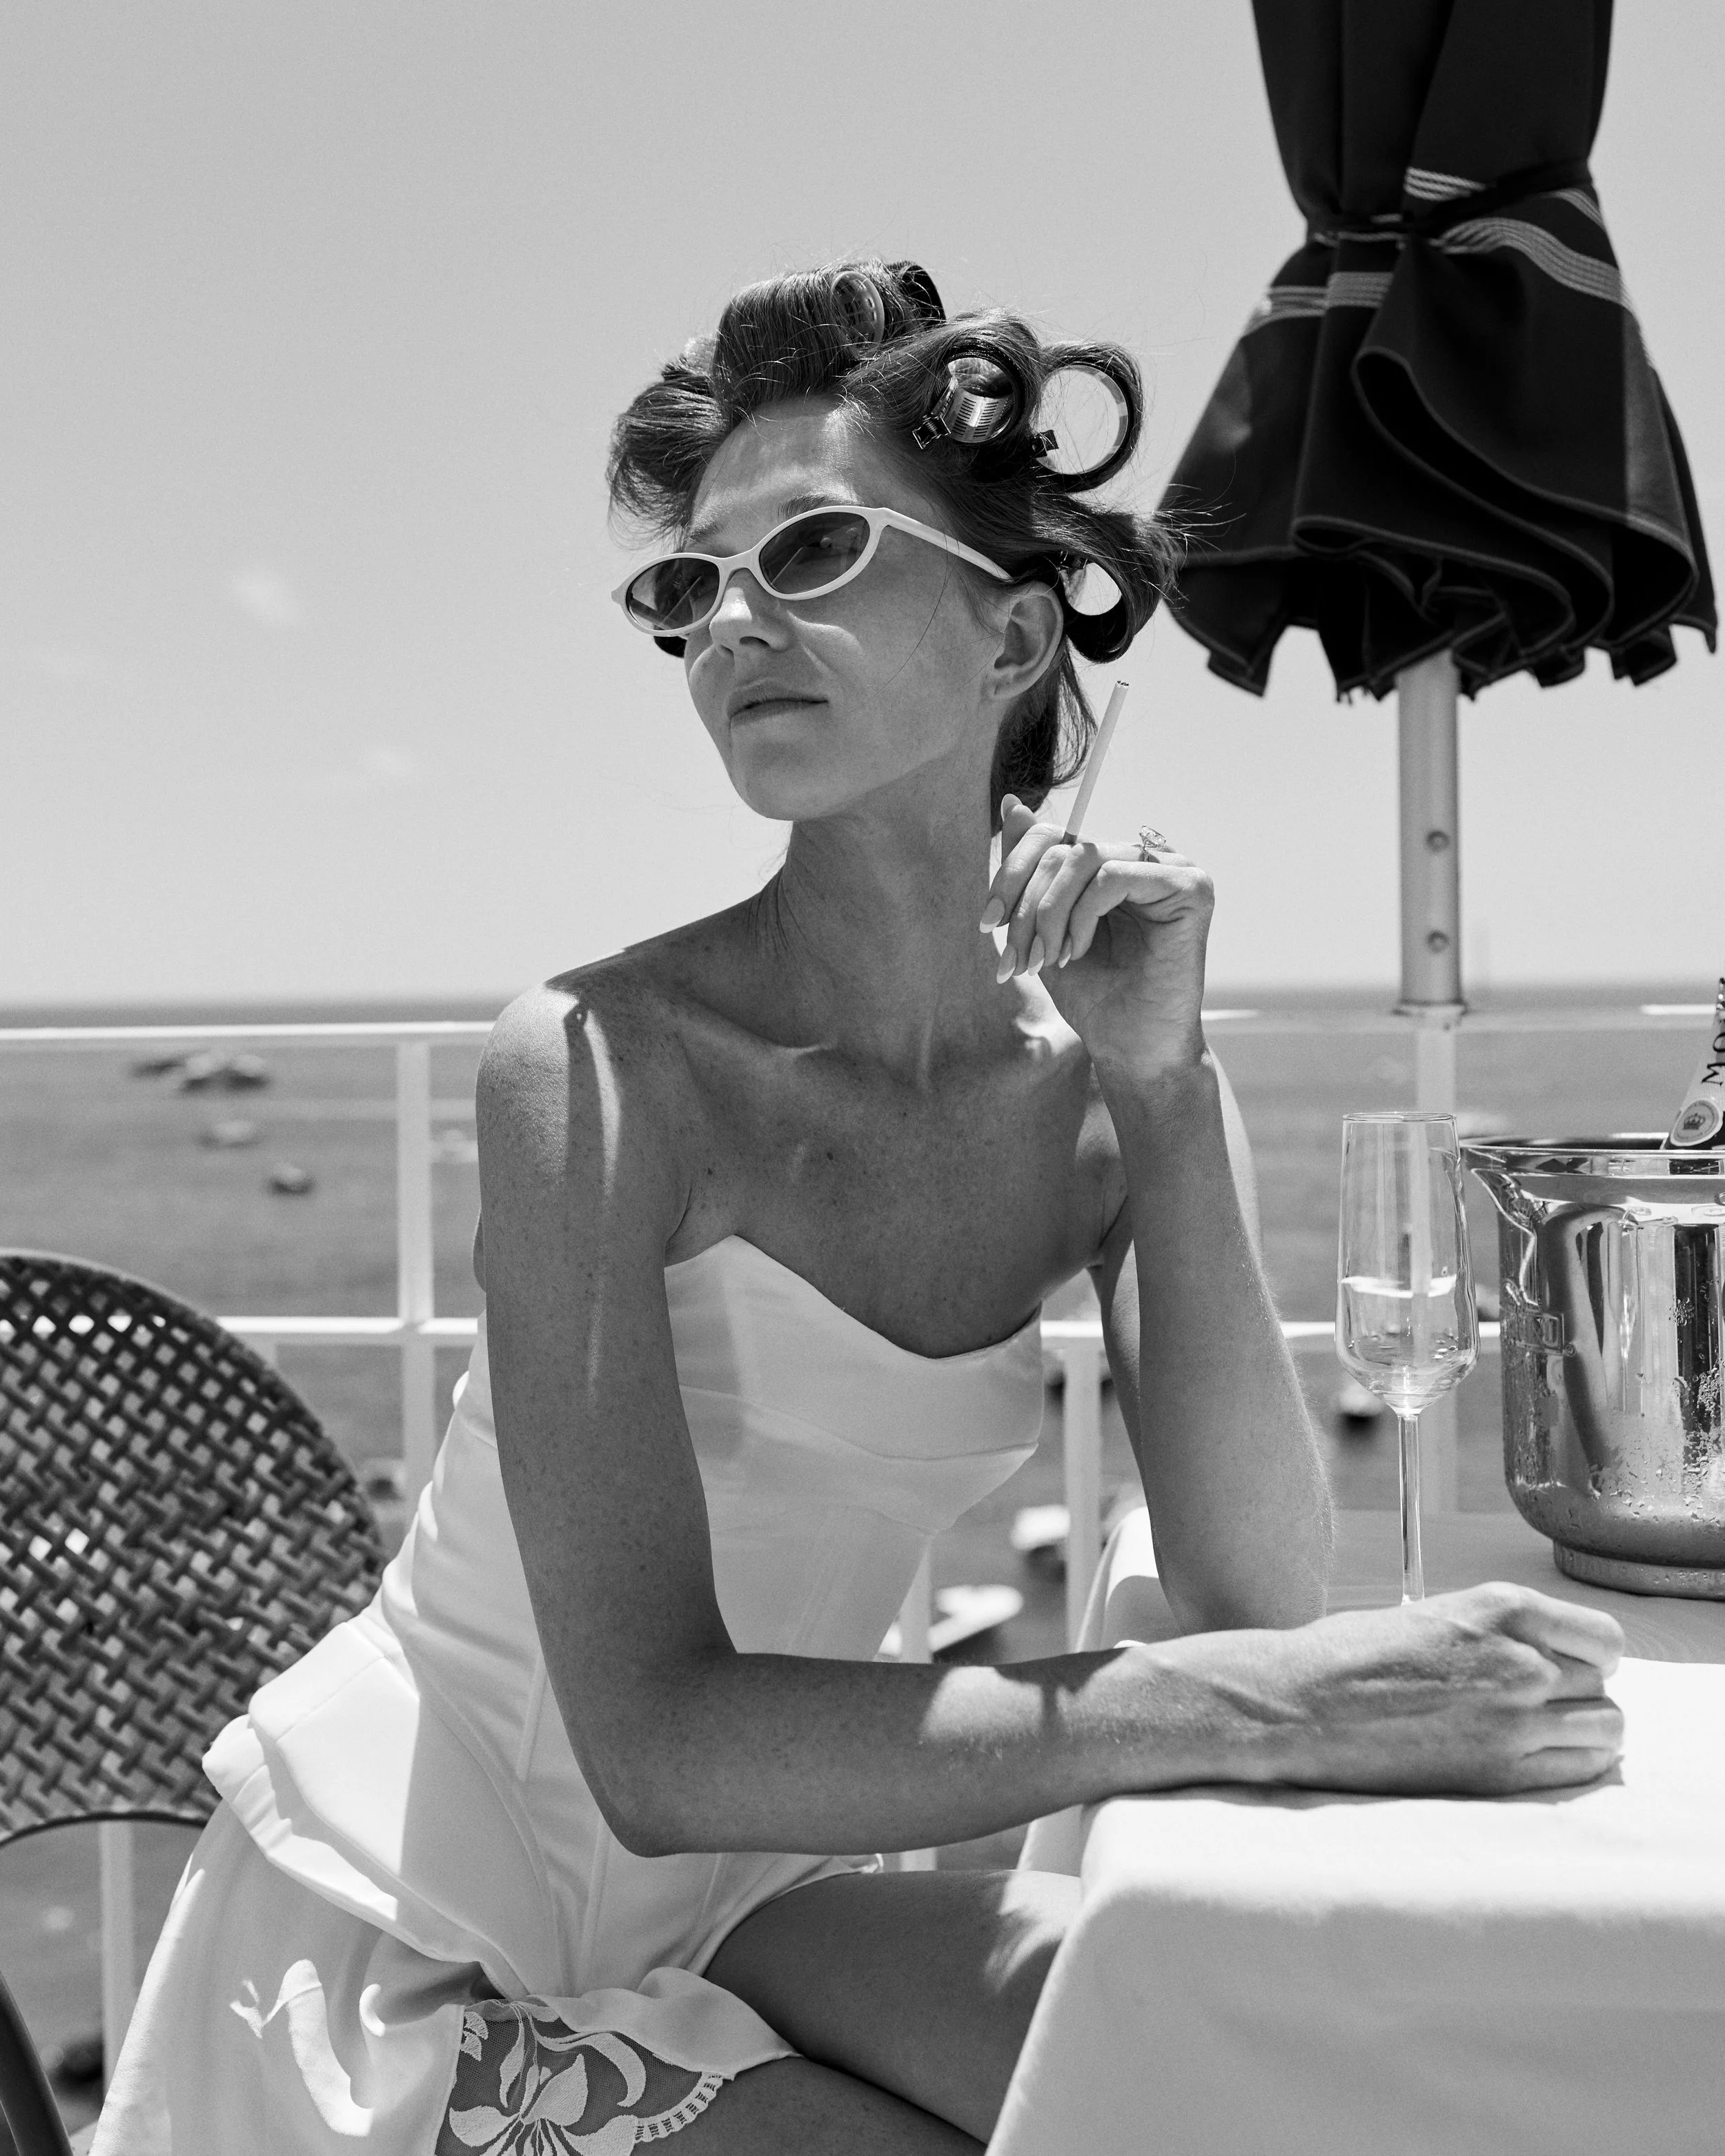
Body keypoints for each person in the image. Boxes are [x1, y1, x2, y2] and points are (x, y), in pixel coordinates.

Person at [95, 259, 1624, 2156]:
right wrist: (1264, 1705)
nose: (731, 619)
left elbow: (1254, 1580)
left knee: (1268, 2079)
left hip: (768, 1884)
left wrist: (1164, 1089)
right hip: (418, 1933)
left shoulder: (1103, 1074)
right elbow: (655, 1746)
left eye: (811, 548)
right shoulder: (597, 1062)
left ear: (1010, 635)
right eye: (688, 588)